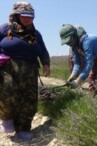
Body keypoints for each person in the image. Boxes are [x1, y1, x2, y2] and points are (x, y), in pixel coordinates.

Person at [0, 2, 51, 140]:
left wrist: (46, 64)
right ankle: (7, 119)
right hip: (8, 67)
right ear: (16, 15)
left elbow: (44, 51)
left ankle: (23, 128)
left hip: (30, 69)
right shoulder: (5, 29)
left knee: (29, 99)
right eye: (24, 16)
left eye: (31, 16)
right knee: (9, 92)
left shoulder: (36, 34)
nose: (28, 19)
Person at [59, 24, 97, 97]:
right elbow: (77, 64)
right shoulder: (74, 46)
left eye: (69, 41)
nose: (68, 44)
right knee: (92, 77)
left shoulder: (87, 41)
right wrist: (72, 77)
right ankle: (93, 99)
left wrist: (78, 81)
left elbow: (89, 64)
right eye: (66, 43)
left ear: (74, 36)